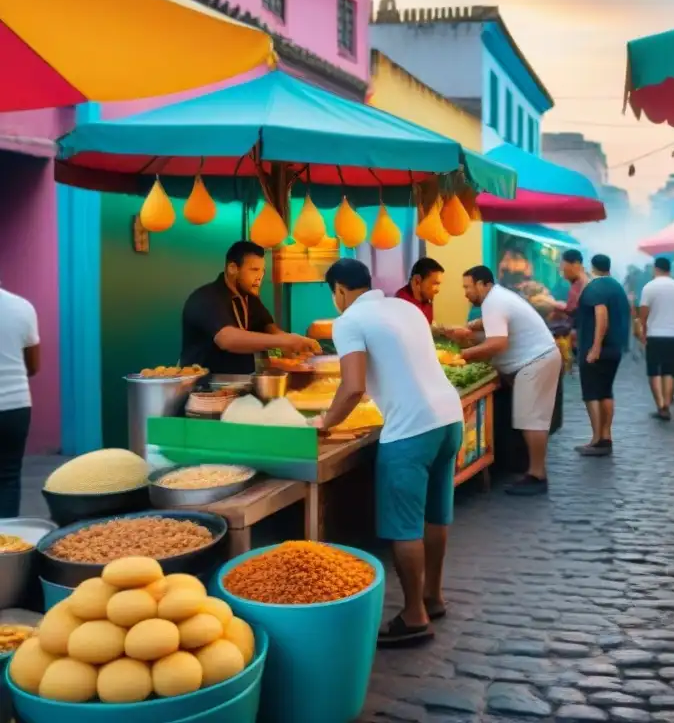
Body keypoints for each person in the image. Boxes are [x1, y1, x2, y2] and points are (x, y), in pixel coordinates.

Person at [314, 259, 463, 648]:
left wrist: (325, 423)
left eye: (333, 294)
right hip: (449, 417)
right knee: (435, 514)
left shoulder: (348, 322)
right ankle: (433, 595)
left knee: (405, 526)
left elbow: (352, 387)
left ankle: (414, 615)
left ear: (340, 290)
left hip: (411, 430)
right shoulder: (404, 307)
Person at [451, 266, 561, 497]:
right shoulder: (497, 298)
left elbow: (497, 344)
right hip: (538, 359)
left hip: (535, 361)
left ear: (484, 285)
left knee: (532, 420)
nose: (465, 293)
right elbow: (495, 322)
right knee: (530, 418)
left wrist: (462, 356)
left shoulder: (494, 301)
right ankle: (533, 469)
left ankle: (537, 475)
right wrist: (472, 327)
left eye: (467, 287)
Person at [180, 241, 318, 374]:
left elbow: (272, 332)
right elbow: (227, 339)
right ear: (233, 268)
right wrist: (286, 341)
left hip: (240, 383)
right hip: (205, 388)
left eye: (262, 271)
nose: (260, 277)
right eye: (254, 270)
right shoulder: (207, 298)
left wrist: (292, 348)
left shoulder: (250, 299)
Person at [574, 254, 631, 456]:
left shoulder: (594, 287)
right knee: (606, 392)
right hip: (615, 348)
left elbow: (601, 314)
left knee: (592, 393)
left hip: (595, 350)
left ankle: (597, 439)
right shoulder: (617, 287)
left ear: (592, 267)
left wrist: (595, 346)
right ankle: (606, 436)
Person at [638, 256, 674, 420]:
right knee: (670, 370)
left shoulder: (649, 288)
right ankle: (667, 403)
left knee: (654, 371)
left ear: (655, 269)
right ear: (669, 270)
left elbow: (643, 313)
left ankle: (660, 405)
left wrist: (642, 332)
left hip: (654, 335)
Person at [0, 283, 40, 518]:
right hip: (15, 406)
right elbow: (33, 366)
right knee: (7, 478)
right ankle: (5, 550)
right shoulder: (22, 307)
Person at [394, 257, 444, 324]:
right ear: (417, 281)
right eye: (435, 284)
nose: (438, 290)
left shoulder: (427, 300)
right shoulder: (401, 303)